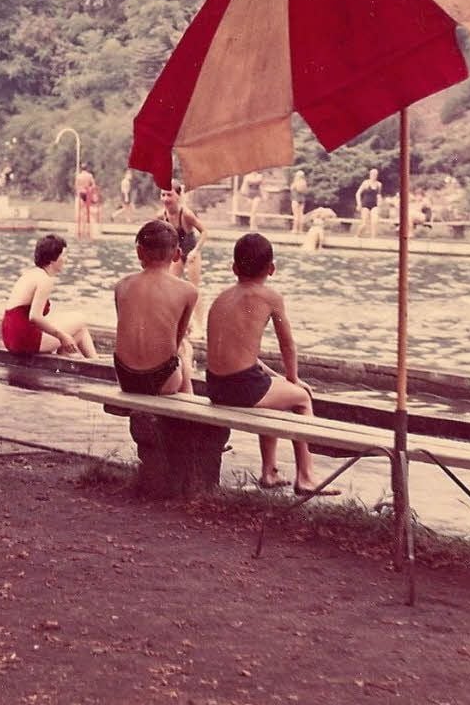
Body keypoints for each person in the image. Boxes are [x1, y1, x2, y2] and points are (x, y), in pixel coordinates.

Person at [206, 232, 341, 496]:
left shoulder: (222, 298)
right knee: (301, 398)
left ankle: (270, 471)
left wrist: (276, 377)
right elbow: (287, 345)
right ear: (271, 269)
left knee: (272, 391)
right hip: (241, 388)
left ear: (234, 268)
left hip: (215, 386)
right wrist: (293, 379)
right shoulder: (270, 297)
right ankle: (306, 476)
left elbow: (236, 353)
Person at [114, 220, 197, 395]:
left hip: (125, 378)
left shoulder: (121, 285)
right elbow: (177, 340)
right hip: (162, 379)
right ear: (177, 254)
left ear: (139, 252)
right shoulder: (188, 290)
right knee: (185, 352)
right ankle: (188, 402)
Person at [1, 234, 97, 358]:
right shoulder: (45, 279)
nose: (67, 259)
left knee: (80, 331)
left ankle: (86, 360)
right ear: (52, 259)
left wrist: (63, 335)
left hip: (10, 337)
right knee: (80, 319)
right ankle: (93, 362)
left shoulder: (31, 274)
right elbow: (34, 317)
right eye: (64, 255)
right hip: (24, 340)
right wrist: (62, 336)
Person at [158, 179, 208, 334]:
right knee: (172, 287)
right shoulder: (161, 215)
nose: (166, 199)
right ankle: (179, 323)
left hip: (191, 252)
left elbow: (205, 232)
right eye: (163, 195)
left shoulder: (186, 214)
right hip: (176, 253)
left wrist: (196, 251)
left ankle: (200, 327)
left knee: (194, 289)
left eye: (169, 195)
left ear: (178, 196)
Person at [355, 168, 382, 237]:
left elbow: (378, 195)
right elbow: (358, 193)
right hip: (365, 204)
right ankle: (357, 235)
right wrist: (359, 204)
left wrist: (379, 204)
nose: (374, 176)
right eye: (372, 174)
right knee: (364, 224)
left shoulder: (379, 184)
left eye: (375, 174)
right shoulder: (366, 183)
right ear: (370, 175)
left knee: (375, 222)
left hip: (374, 205)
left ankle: (373, 239)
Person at [290, 169, 309, 234]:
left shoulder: (295, 183)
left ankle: (295, 229)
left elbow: (292, 190)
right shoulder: (304, 183)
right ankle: (300, 230)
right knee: (301, 215)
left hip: (295, 199)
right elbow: (306, 191)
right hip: (302, 200)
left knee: (296, 215)